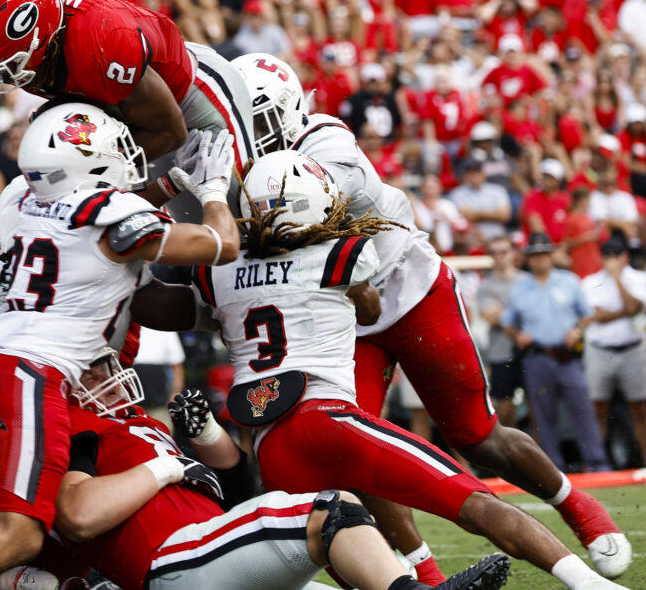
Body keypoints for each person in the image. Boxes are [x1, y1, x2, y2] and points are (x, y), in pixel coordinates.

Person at [139, 151, 625, 590]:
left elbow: (164, 307)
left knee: (343, 553)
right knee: (475, 502)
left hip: (272, 448)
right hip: (331, 420)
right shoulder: (340, 254)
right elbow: (369, 309)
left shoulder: (217, 272)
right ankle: (589, 584)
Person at [231, 52, 633, 581]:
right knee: (354, 444)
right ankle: (425, 572)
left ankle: (576, 504)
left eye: (252, 115)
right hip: (344, 317)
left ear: (285, 109)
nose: (243, 129)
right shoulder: (239, 161)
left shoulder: (324, 140)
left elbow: (306, 210)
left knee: (477, 436)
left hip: (409, 290)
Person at [0, 102, 241, 590]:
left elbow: (111, 228)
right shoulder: (101, 215)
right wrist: (213, 191)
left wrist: (170, 185)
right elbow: (218, 246)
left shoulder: (33, 217)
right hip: (34, 378)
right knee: (17, 536)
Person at [52, 360, 512, 590]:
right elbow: (78, 515)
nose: (110, 374)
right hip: (172, 559)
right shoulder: (74, 428)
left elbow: (235, 491)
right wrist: (166, 467)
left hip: (209, 548)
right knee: (332, 509)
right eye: (93, 371)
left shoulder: (135, 425)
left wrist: (205, 436)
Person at [0, 0, 254, 203]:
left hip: (191, 96)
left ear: (40, 40)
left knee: (241, 215)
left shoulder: (103, 40)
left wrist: (82, 176)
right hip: (130, 111)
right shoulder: (10, 37)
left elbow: (170, 130)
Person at [502, 233, 611, 473]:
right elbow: (507, 321)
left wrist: (578, 329)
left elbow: (587, 313)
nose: (539, 259)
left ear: (551, 256)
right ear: (528, 259)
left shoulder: (569, 281)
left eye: (543, 254)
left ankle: (597, 464)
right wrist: (517, 335)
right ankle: (554, 470)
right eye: (534, 255)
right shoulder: (520, 287)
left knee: (583, 411)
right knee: (543, 416)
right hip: (537, 357)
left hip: (567, 357)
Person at [580, 236, 646, 462]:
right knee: (597, 411)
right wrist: (626, 310)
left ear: (625, 256)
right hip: (600, 351)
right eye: (607, 255)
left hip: (633, 349)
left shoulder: (640, 278)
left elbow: (634, 307)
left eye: (616, 254)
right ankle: (597, 466)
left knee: (641, 410)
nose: (611, 259)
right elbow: (593, 316)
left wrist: (618, 279)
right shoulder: (591, 281)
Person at [478, 237, 522, 428]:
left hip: (525, 350)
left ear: (512, 253)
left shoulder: (525, 280)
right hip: (501, 352)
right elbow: (490, 317)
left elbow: (498, 316)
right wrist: (517, 315)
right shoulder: (485, 286)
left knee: (536, 406)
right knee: (504, 408)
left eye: (503, 251)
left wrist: (501, 311)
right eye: (494, 252)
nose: (499, 257)